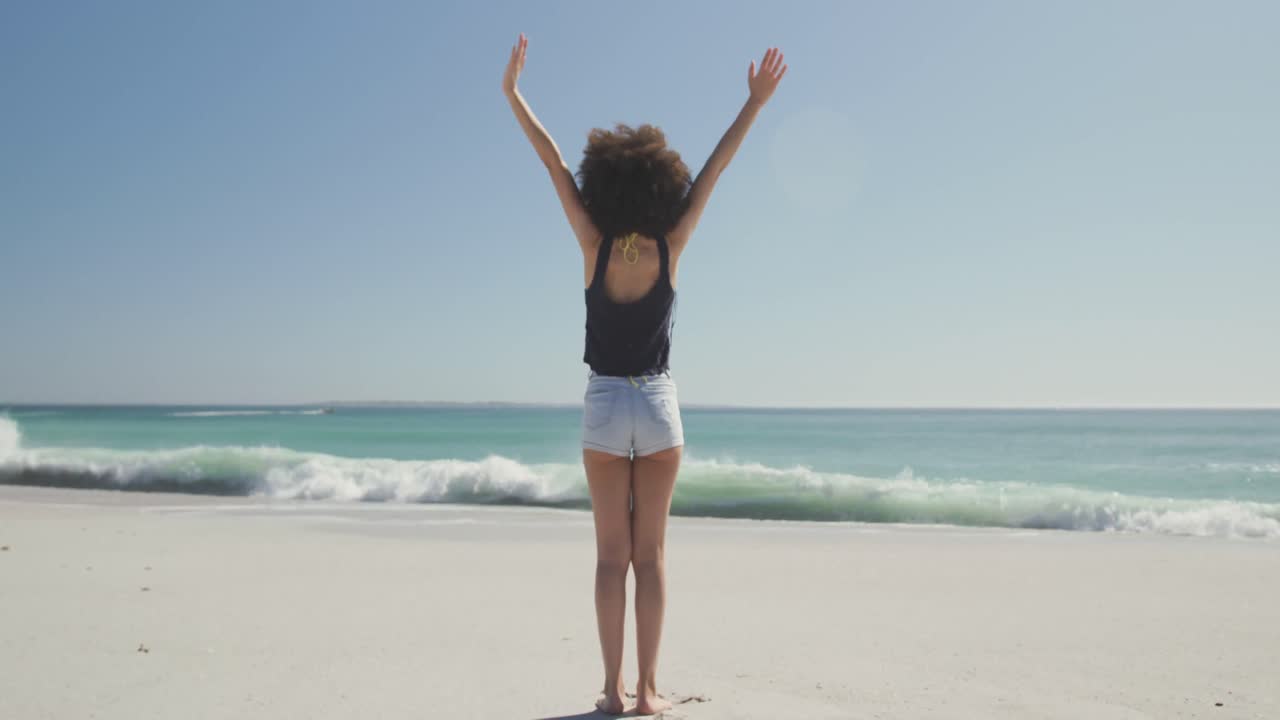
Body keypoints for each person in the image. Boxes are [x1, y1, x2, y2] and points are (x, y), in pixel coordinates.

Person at [502, 33, 786, 716]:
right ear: (662, 185)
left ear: (606, 184)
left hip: (603, 403)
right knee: (651, 557)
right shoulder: (672, 243)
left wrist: (514, 94)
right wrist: (753, 104)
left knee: (609, 559)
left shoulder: (593, 243)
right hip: (658, 404)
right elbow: (716, 169)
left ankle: (609, 691)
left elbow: (551, 162)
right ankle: (649, 693)